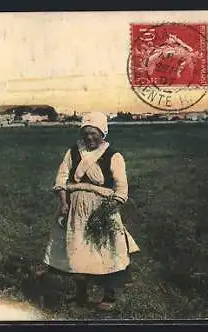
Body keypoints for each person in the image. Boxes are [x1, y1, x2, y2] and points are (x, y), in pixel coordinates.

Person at [40, 112, 140, 311]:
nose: (89, 138)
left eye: (94, 133)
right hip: (75, 209)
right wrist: (63, 203)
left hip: (102, 209)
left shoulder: (114, 155)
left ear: (103, 133)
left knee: (107, 251)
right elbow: (61, 179)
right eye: (85, 133)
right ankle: (81, 294)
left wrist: (105, 212)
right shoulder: (72, 152)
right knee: (76, 250)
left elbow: (121, 189)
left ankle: (109, 296)